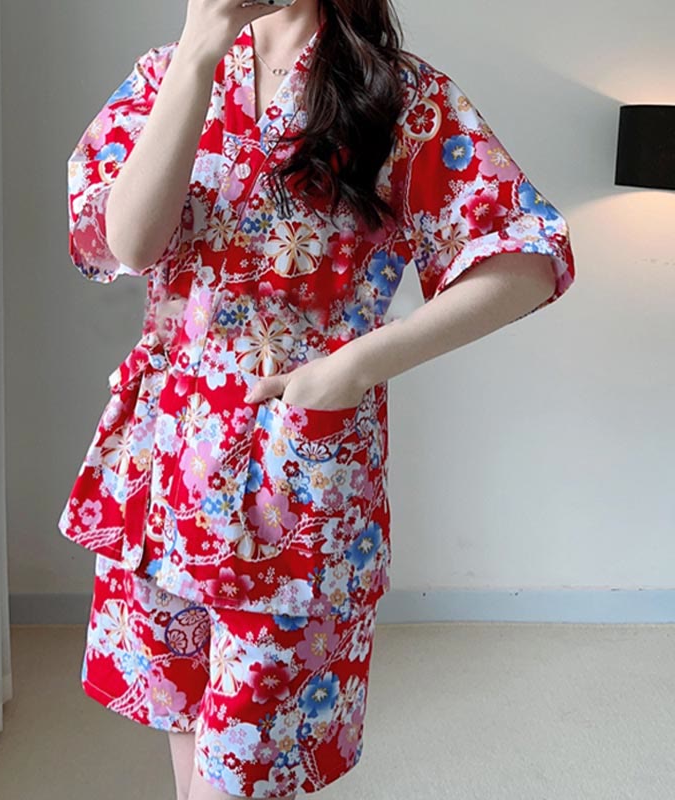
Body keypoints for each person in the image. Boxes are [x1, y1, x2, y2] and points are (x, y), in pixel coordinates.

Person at [58, 0, 576, 798]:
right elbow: (127, 243)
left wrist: (357, 367)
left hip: (295, 481)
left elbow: (528, 256)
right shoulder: (167, 75)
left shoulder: (397, 97)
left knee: (245, 776)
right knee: (190, 743)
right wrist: (199, 51)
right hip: (163, 472)